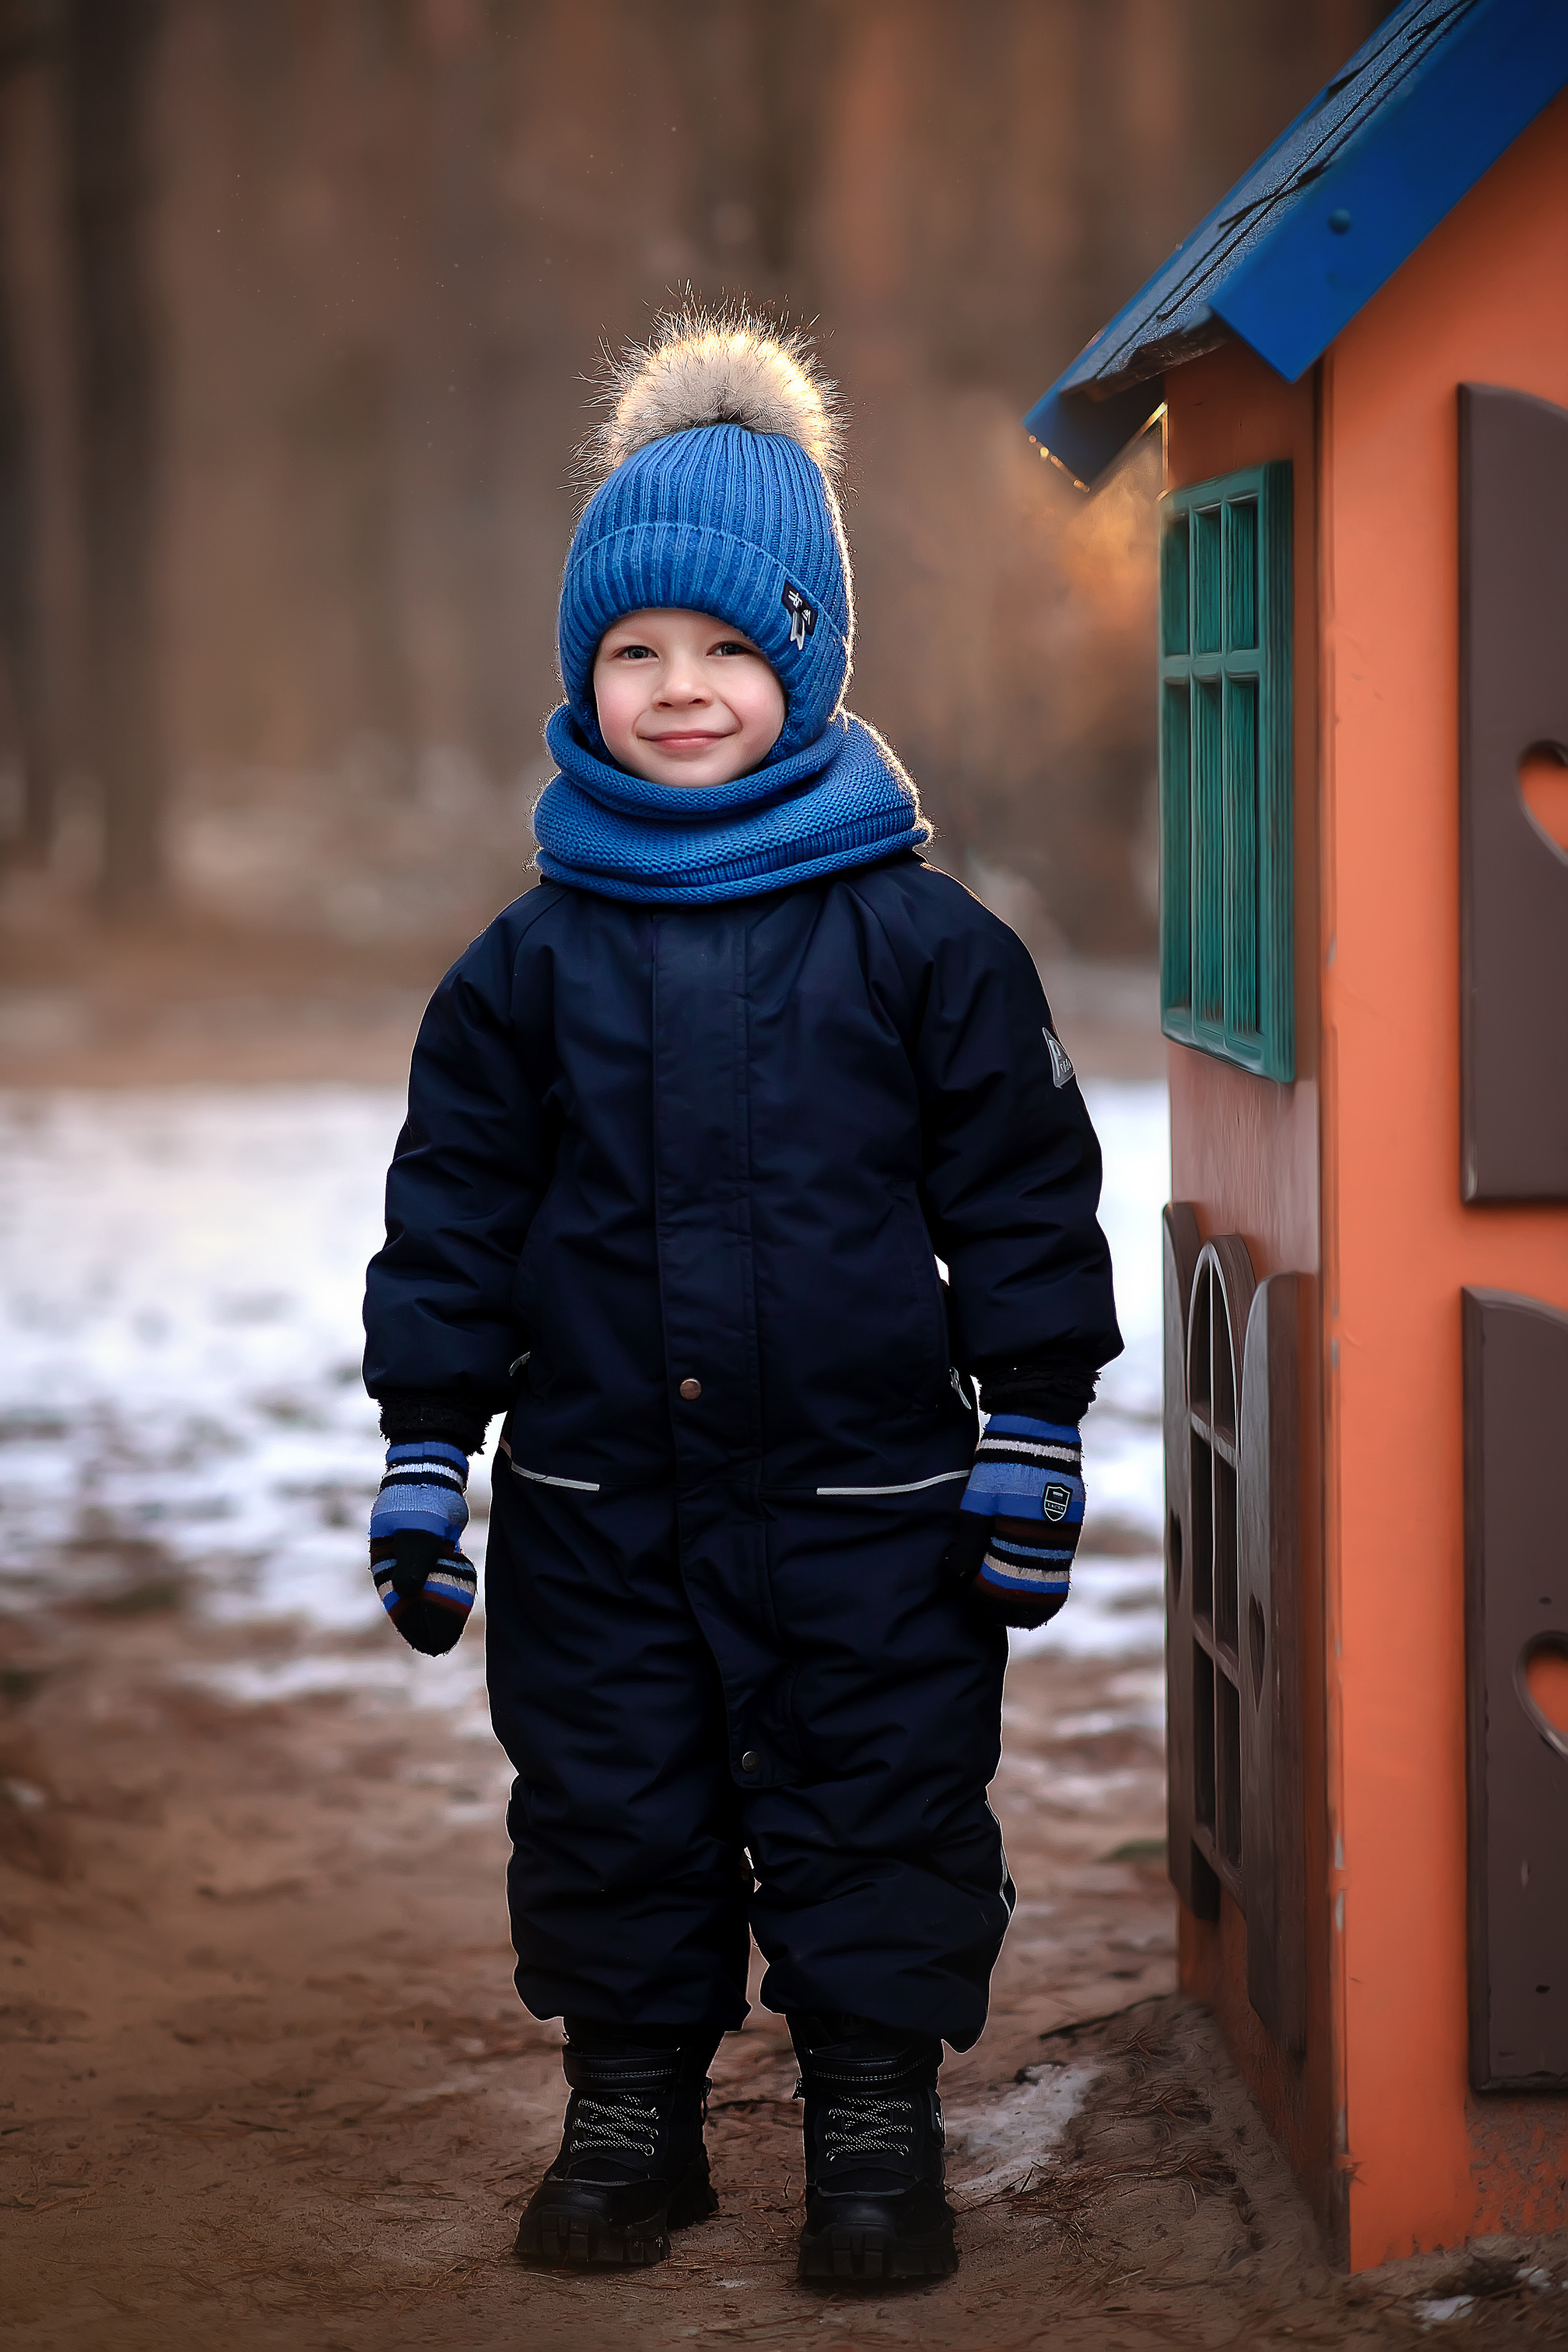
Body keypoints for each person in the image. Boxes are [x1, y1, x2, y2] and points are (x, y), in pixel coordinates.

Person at [361, 310, 1121, 2285]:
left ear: (805, 664)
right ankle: (634, 2115)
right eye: (635, 653)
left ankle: (876, 2122)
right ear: (581, 675)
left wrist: (1031, 1423)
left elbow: (1022, 1194)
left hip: (870, 1506)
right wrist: (429, 1452)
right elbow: (451, 1213)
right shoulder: (524, 968)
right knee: (616, 1810)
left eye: (725, 650)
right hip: (603, 1505)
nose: (680, 691)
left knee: (880, 1807)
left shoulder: (927, 947)